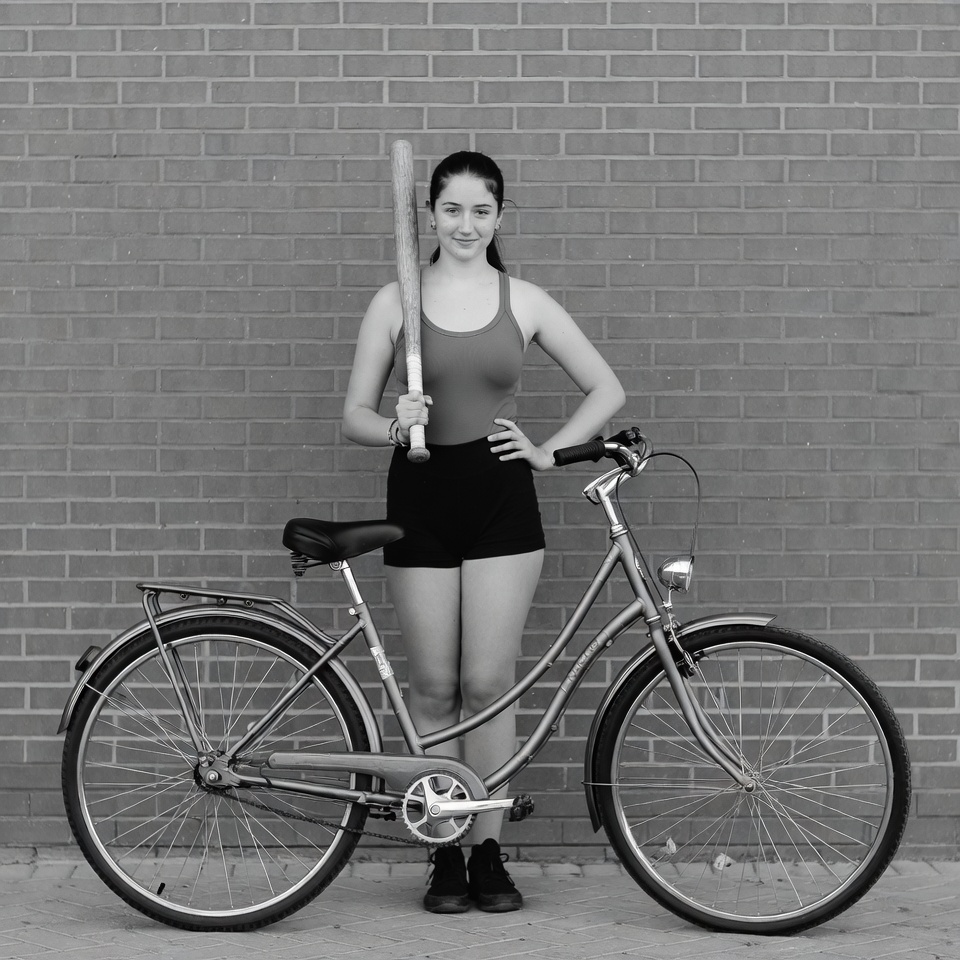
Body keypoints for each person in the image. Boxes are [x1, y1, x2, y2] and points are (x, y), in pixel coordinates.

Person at [341, 151, 625, 913]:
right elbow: (354, 417)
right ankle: (443, 853)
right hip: (421, 499)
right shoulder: (394, 302)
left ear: (498, 218)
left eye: (481, 210)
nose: (466, 224)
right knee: (433, 689)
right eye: (452, 209)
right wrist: (396, 431)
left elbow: (607, 386)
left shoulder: (523, 300)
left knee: (489, 686)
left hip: (502, 504)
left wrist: (547, 452)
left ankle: (488, 850)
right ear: (429, 216)